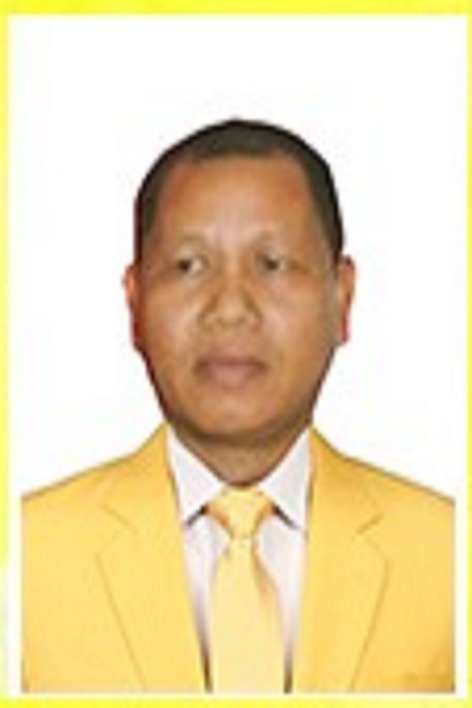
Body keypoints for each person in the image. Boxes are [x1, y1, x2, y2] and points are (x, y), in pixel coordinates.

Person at [22, 119, 454, 693]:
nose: (229, 309)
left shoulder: (450, 554)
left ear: (342, 299)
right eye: (188, 266)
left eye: (272, 264)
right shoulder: (23, 558)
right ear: (135, 304)